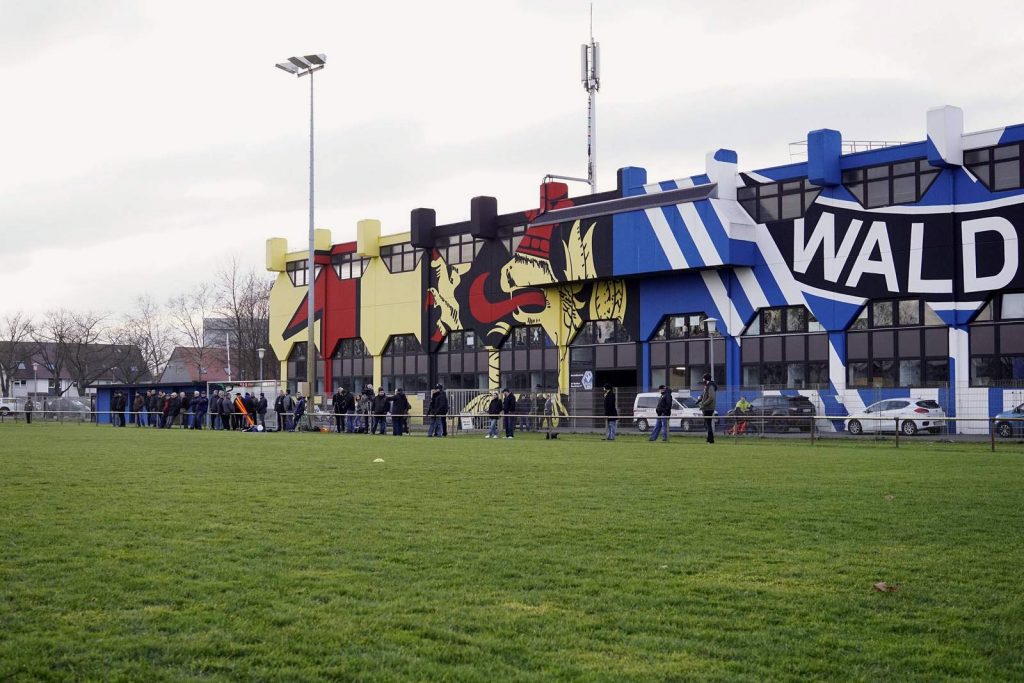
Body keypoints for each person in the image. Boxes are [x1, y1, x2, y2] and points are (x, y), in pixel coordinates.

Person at [698, 373, 718, 444]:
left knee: (708, 424)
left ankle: (710, 440)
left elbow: (711, 397)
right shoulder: (708, 386)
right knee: (707, 424)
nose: (702, 380)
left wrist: (703, 404)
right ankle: (709, 439)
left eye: (703, 378)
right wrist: (700, 399)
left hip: (708, 408)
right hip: (707, 407)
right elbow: (706, 395)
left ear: (705, 379)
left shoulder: (710, 386)